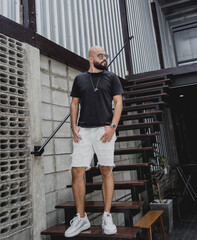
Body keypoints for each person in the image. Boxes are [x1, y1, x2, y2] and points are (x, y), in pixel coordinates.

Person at [64, 46, 123, 238]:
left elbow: (118, 102)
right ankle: (81, 218)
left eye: (105, 55)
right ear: (91, 58)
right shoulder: (80, 79)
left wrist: (113, 126)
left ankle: (106, 216)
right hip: (84, 131)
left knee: (106, 169)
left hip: (104, 130)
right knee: (77, 170)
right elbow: (74, 103)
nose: (104, 58)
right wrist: (74, 126)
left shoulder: (111, 78)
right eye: (101, 55)